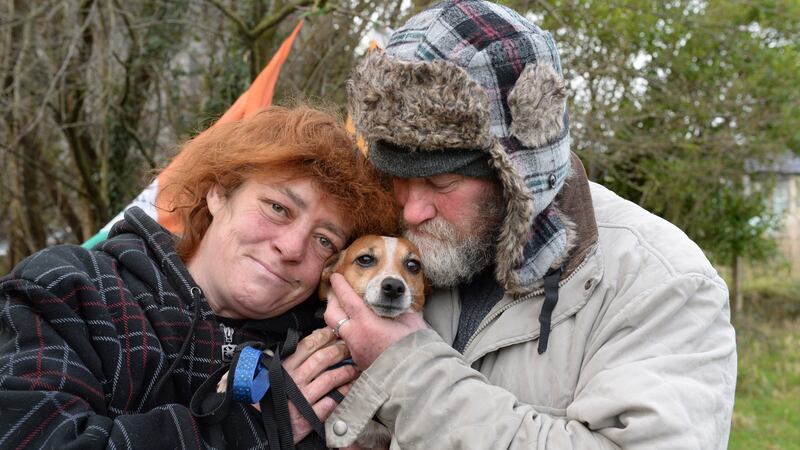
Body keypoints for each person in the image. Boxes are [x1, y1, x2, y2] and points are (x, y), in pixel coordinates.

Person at [322, 1, 737, 448]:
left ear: (516, 173)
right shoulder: (403, 249)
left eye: (440, 182)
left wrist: (406, 369)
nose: (409, 212)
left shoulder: (662, 285)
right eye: (395, 179)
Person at [0, 105, 398, 448]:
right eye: (277, 207)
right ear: (218, 193)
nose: (292, 248)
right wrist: (248, 429)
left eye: (324, 240)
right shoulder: (72, 288)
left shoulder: (323, 357)